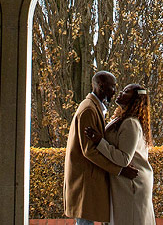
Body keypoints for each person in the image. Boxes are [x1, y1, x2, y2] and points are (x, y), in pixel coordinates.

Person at [65, 70, 138, 225]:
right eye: (112, 87)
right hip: (85, 183)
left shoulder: (93, 107)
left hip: (88, 182)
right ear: (101, 86)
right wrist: (119, 170)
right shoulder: (89, 110)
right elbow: (89, 150)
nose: (115, 91)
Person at [84, 84, 156, 225]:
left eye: (126, 92)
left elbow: (124, 159)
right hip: (124, 183)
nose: (120, 93)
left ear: (135, 99)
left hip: (132, 183)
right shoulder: (121, 120)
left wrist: (99, 141)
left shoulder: (131, 123)